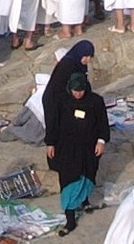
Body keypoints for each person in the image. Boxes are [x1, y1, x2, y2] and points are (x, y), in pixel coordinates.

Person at [45, 72, 109, 235]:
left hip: (88, 148)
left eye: (80, 90)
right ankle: (70, 219)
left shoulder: (95, 101)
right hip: (66, 148)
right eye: (75, 91)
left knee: (87, 175)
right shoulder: (61, 101)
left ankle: (84, 200)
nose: (77, 94)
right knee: (68, 180)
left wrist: (101, 141)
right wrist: (50, 143)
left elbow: (102, 122)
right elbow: (53, 122)